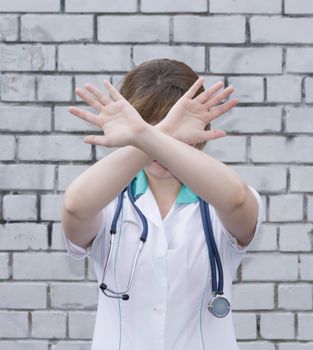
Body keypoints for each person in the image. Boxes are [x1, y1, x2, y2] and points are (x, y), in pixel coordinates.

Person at [61, 59, 264, 350]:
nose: (159, 141)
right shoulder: (106, 202)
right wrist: (157, 137)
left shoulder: (220, 199)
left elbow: (237, 200)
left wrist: (146, 136)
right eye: (146, 125)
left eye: (170, 127)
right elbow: (74, 207)